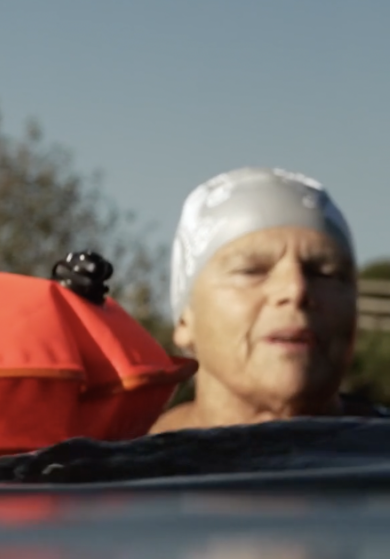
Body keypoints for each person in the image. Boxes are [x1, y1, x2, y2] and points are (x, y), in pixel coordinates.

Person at [152, 166, 377, 433]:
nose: (296, 290)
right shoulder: (119, 464)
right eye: (252, 271)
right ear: (184, 321)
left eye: (324, 273)